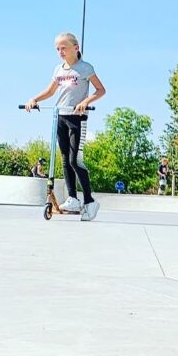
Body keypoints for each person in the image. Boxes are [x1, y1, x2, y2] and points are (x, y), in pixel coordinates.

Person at [23, 32, 105, 221]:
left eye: (64, 47)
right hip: (60, 116)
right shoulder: (58, 70)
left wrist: (86, 101)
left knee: (76, 160)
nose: (60, 51)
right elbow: (51, 91)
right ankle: (73, 198)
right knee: (65, 159)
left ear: (76, 48)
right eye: (57, 48)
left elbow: (101, 90)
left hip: (77, 118)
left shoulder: (85, 68)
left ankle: (90, 201)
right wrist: (34, 99)